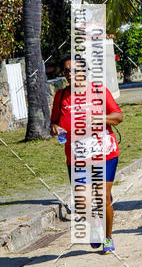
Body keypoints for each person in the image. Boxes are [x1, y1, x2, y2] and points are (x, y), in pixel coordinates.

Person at [50, 57, 123, 253]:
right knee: (82, 202)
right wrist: (55, 128)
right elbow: (54, 123)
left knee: (103, 197)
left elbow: (118, 117)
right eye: (66, 71)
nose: (70, 74)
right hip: (77, 156)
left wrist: (99, 117)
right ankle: (95, 225)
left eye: (75, 70)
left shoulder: (99, 91)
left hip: (104, 153)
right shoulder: (61, 96)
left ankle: (108, 238)